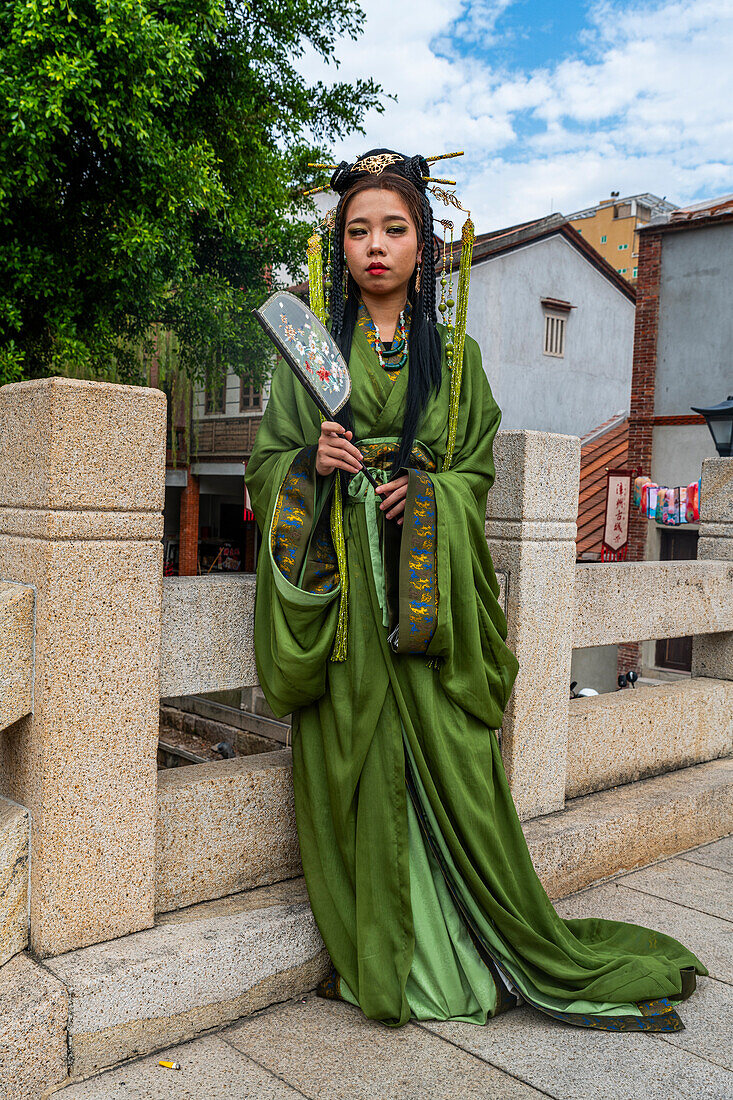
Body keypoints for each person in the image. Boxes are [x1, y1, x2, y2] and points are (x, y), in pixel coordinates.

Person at [244, 149, 708, 1031]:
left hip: (427, 606)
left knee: (457, 776)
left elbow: (472, 478)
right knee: (355, 774)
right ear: (337, 247)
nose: (375, 246)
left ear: (424, 245)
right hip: (346, 610)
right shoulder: (308, 358)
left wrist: (423, 496)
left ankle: (477, 944)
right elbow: (267, 469)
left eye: (394, 228)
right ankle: (386, 956)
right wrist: (310, 463)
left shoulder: (456, 361)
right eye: (357, 231)